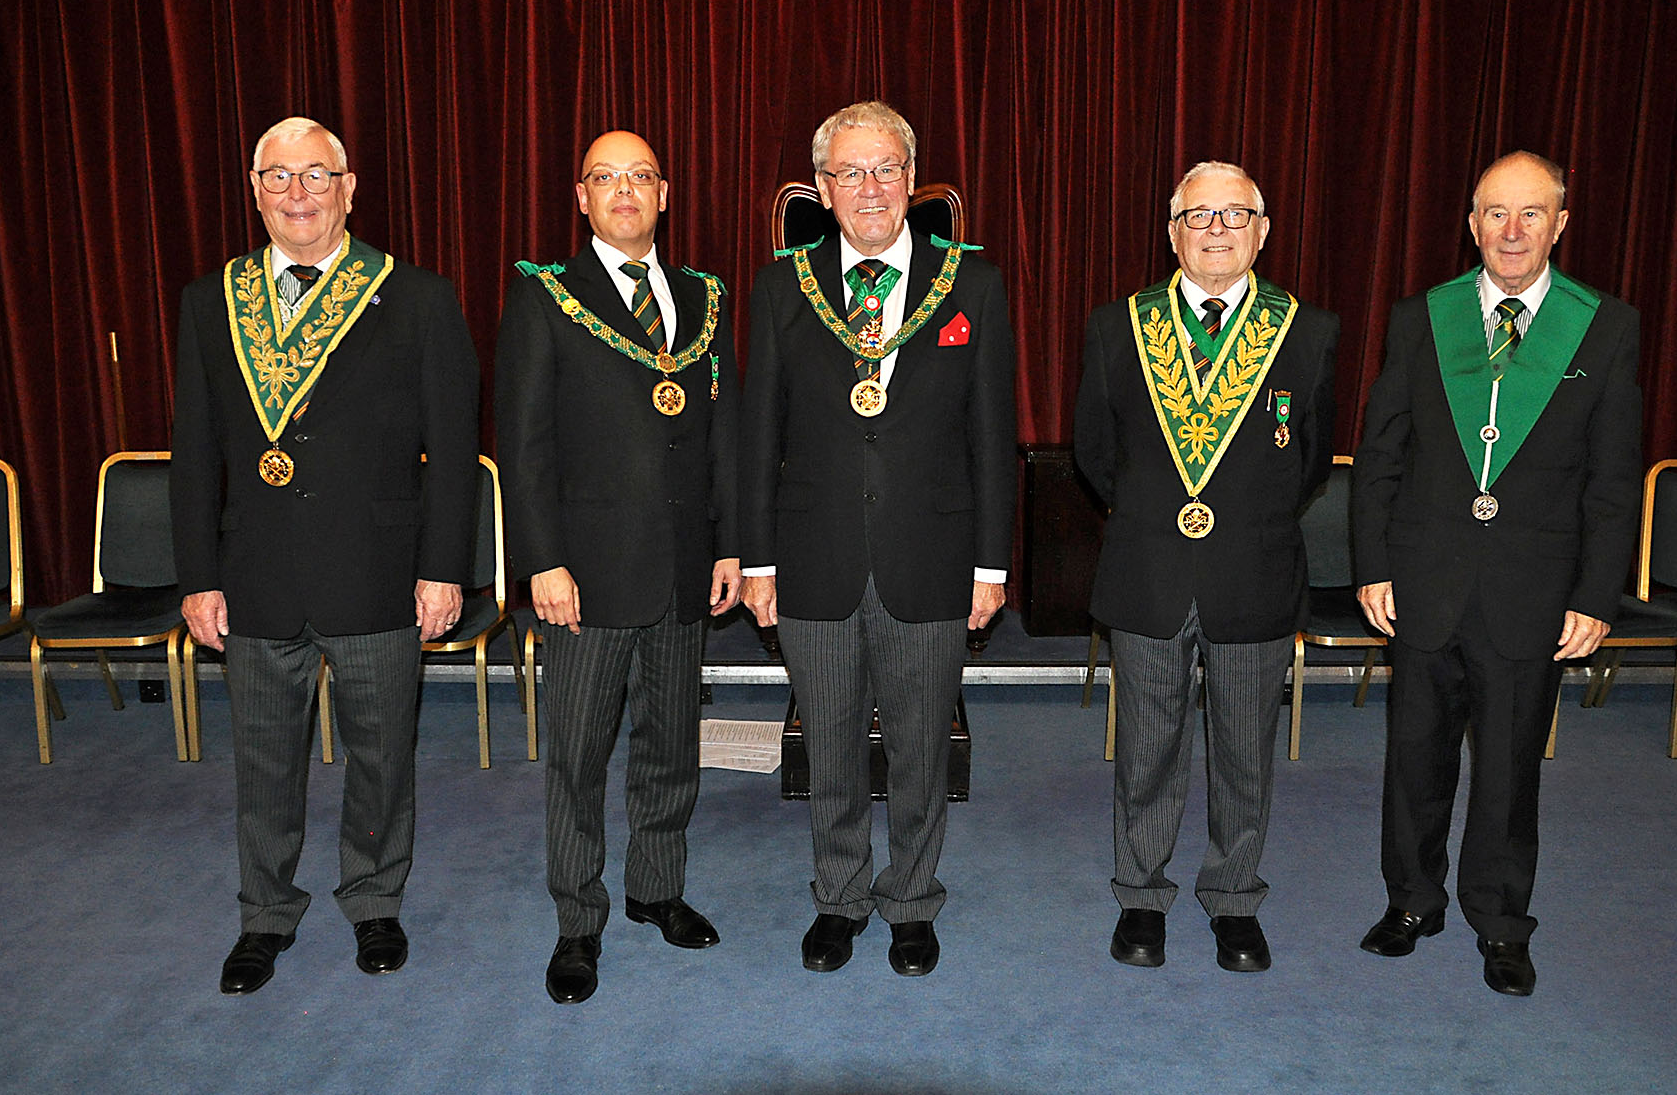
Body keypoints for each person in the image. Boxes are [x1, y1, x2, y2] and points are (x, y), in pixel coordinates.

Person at [171, 115, 479, 995]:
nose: (297, 194)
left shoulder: (415, 296)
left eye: (316, 176)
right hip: (257, 572)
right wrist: (198, 576)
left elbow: (455, 450)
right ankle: (264, 915)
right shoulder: (211, 300)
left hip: (380, 568)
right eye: (278, 176)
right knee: (264, 759)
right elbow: (194, 448)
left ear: (350, 189)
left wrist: (443, 566)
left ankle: (374, 901)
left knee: (383, 754)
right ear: (255, 189)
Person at [1352, 151, 1641, 997]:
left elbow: (1613, 480)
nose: (1511, 232)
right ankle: (1411, 902)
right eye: (1494, 213)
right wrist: (1372, 564)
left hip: (1533, 590)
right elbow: (1381, 455)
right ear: (1471, 222)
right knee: (1413, 755)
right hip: (1424, 579)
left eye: (1530, 213)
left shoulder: (1605, 325)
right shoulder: (1422, 316)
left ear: (1560, 222)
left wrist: (1596, 594)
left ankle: (1501, 922)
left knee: (1511, 768)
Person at [740, 100, 1015, 977]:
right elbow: (759, 434)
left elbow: (991, 433)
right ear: (821, 188)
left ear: (912, 179)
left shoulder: (970, 281)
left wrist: (991, 564)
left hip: (931, 558)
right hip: (813, 555)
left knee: (920, 746)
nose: (869, 187)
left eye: (886, 168)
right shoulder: (784, 284)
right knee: (828, 744)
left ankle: (911, 900)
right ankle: (840, 897)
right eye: (849, 171)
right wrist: (756, 559)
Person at [1074, 161, 1338, 974]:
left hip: (1253, 571)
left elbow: (1313, 463)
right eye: (1199, 216)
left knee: (1244, 755)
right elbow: (1095, 451)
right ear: (1171, 230)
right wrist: (1162, 515)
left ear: (1263, 230)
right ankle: (1142, 898)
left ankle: (1233, 900)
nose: (1217, 230)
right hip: (1148, 569)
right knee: (1147, 749)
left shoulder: (1308, 330)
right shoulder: (1119, 326)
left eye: (1236, 215)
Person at [496, 130, 740, 1005]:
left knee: (672, 744)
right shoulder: (547, 296)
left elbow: (726, 439)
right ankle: (577, 921)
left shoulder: (703, 297)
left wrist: (731, 546)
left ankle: (657, 888)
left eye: (640, 176)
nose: (625, 191)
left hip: (681, 570)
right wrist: (543, 563)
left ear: (665, 194)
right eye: (607, 177)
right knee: (579, 757)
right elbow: (523, 446)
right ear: (581, 196)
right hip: (585, 579)